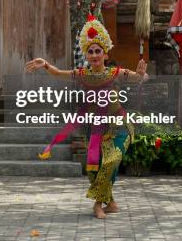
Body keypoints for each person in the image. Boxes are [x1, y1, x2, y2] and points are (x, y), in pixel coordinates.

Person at [25, 14, 148, 219]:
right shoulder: (82, 74)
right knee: (94, 167)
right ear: (86, 55)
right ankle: (112, 203)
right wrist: (45, 63)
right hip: (94, 127)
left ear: (105, 54)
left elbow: (135, 78)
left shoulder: (114, 72)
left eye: (98, 51)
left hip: (119, 125)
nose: (94, 54)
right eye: (90, 51)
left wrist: (140, 74)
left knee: (111, 160)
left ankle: (98, 204)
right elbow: (58, 73)